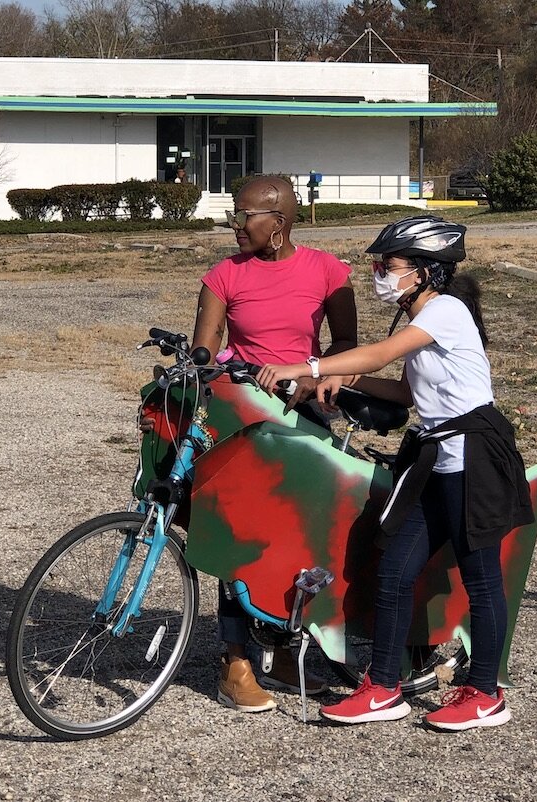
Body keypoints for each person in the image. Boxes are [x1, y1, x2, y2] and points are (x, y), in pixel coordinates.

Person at [257, 215, 533, 731]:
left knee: (482, 580)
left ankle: (486, 694)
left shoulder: (447, 311)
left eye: (390, 265)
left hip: (474, 458)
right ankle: (384, 687)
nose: (382, 274)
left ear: (426, 272)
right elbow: (408, 393)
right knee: (394, 571)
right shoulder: (420, 318)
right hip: (433, 460)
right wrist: (346, 383)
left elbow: (382, 356)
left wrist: (310, 366)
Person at [191, 175, 358, 713]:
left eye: (245, 216)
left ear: (279, 223)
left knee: (304, 538)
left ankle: (287, 648)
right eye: (234, 215)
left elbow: (347, 344)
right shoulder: (222, 275)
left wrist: (319, 379)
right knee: (236, 534)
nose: (235, 225)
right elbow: (203, 348)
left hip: (304, 411)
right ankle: (235, 661)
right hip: (243, 415)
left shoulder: (329, 271)